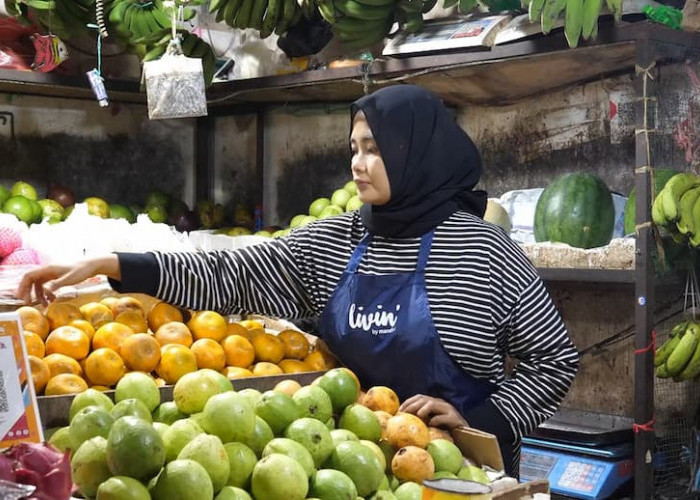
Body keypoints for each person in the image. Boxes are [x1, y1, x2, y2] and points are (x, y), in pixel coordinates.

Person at [17, 84, 578, 476]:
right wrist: (114, 266)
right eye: (354, 149)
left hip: (461, 472)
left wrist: (482, 421)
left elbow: (554, 359)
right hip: (343, 463)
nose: (357, 165)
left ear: (418, 155)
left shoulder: (481, 250)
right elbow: (230, 274)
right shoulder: (338, 241)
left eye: (376, 150)